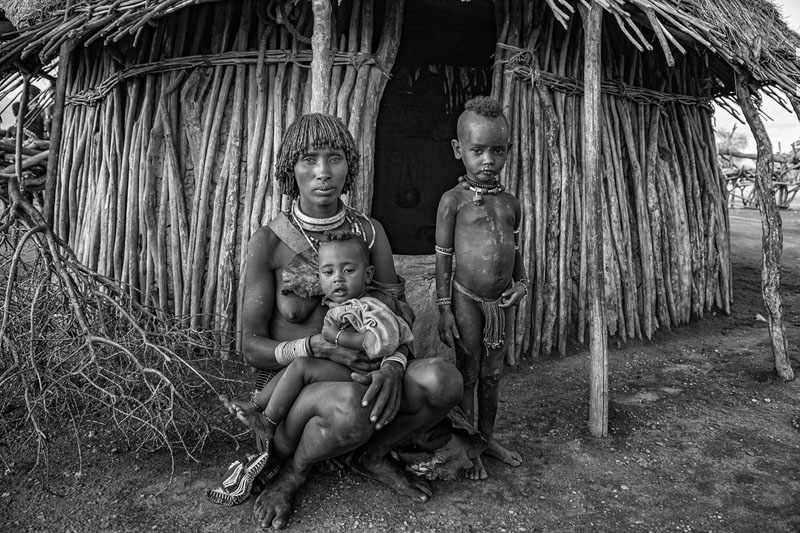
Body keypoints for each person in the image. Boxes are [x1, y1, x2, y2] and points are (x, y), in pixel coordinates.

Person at [234, 113, 462, 529]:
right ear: (290, 169)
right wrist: (313, 347)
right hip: (301, 390)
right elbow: (250, 348)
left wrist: (394, 366)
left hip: (370, 371)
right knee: (354, 407)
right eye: (309, 159)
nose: (323, 172)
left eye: (334, 158)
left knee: (443, 380)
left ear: (349, 166)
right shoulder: (269, 242)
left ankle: (371, 456)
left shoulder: (369, 233)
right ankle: (294, 472)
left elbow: (399, 314)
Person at [224, 231, 414, 444]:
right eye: (328, 272)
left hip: (363, 372)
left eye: (348, 270)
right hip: (344, 368)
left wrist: (337, 337)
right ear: (319, 278)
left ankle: (269, 421)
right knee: (298, 364)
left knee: (301, 367)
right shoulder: (341, 306)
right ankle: (256, 405)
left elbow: (382, 339)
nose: (338, 278)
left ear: (368, 275)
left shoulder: (369, 307)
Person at [434, 96, 527, 481]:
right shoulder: (452, 202)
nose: (488, 159)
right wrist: (444, 307)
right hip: (466, 300)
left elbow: (515, 250)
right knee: (468, 375)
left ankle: (487, 440)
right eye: (478, 151)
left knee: (493, 375)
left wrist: (522, 285)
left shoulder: (510, 203)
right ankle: (468, 446)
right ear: (459, 150)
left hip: (502, 303)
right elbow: (444, 257)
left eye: (497, 150)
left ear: (508, 150)